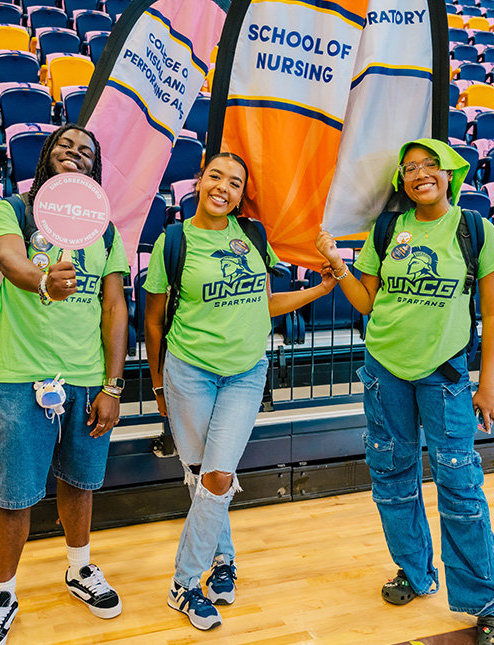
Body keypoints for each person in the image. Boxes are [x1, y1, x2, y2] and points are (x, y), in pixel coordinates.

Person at [315, 139, 494, 645]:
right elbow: (366, 301)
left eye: (429, 166)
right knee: (392, 475)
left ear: (450, 174)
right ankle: (414, 571)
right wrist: (337, 264)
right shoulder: (389, 230)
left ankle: (488, 604)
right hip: (384, 371)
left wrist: (487, 382)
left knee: (461, 487)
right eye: (409, 169)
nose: (419, 174)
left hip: (445, 376)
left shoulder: (474, 230)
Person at [142, 152, 337, 631]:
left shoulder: (252, 236)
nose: (223, 188)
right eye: (215, 177)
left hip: (246, 372)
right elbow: (151, 320)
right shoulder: (174, 241)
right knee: (203, 473)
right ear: (199, 181)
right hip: (189, 372)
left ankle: (184, 583)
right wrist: (158, 382)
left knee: (217, 476)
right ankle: (222, 558)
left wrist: (316, 291)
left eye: (234, 182)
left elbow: (264, 302)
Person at [0, 124, 130, 645]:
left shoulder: (105, 232)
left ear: (94, 169)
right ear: (46, 155)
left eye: (86, 151)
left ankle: (79, 569)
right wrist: (42, 280)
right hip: (22, 375)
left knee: (80, 483)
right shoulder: (10, 211)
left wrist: (113, 385)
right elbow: (12, 262)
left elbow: (113, 307)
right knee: (13, 494)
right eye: (65, 146)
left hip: (86, 378)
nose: (75, 154)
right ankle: (2, 593)